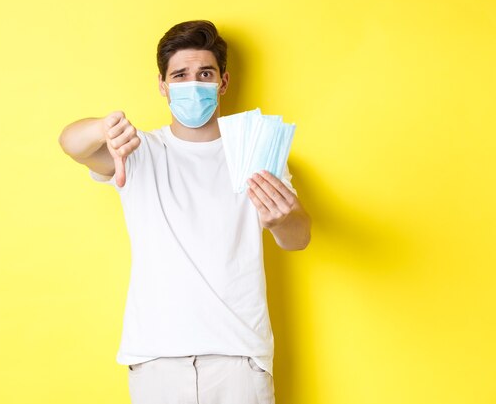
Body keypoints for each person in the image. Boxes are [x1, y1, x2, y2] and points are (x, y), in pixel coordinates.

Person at [58, 20, 311, 404]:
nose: (193, 84)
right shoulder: (137, 150)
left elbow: (298, 239)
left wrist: (284, 218)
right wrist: (101, 128)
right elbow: (72, 143)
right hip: (156, 358)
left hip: (239, 357)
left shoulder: (256, 151)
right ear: (163, 85)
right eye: (180, 75)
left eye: (204, 73)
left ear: (222, 82)